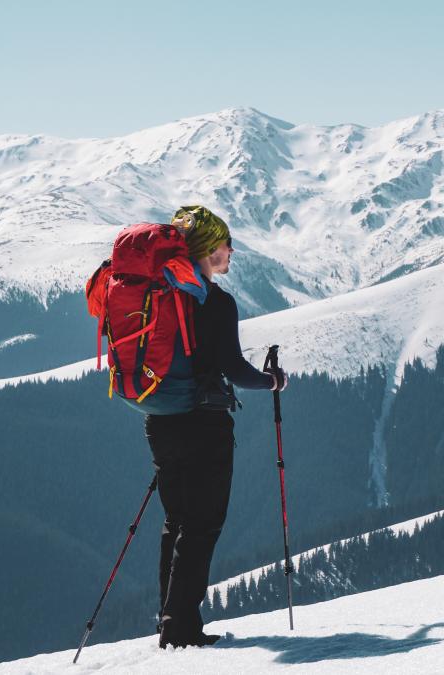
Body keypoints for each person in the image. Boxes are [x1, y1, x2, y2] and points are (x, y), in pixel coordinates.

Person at [143, 205, 288, 648]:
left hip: (160, 419)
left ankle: (168, 618)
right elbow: (233, 368)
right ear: (207, 250)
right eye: (225, 244)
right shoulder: (215, 301)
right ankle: (181, 627)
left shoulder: (160, 294)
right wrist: (272, 381)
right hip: (204, 425)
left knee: (177, 519)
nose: (230, 251)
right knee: (203, 523)